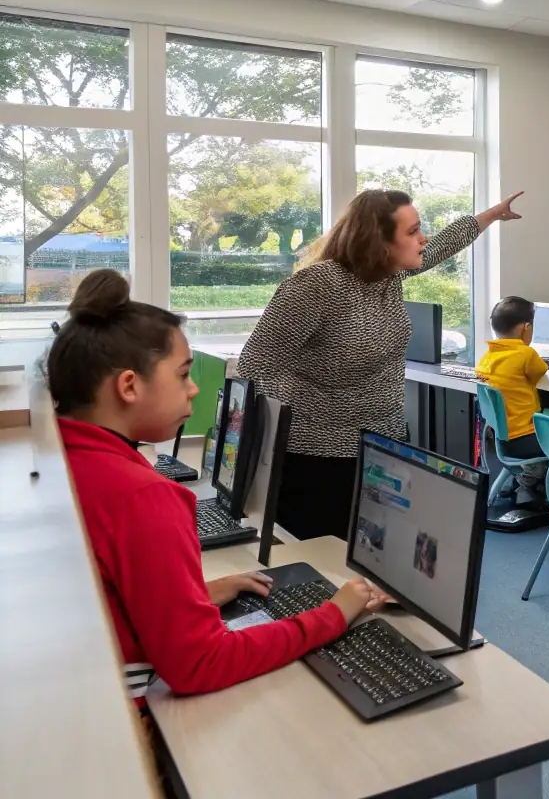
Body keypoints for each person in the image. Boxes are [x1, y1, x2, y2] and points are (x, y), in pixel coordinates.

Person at [46, 270, 381, 701]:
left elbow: (114, 599)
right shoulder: (143, 496)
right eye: (183, 374)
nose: (194, 389)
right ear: (129, 386)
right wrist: (332, 615)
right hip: (121, 723)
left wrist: (195, 597)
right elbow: (201, 663)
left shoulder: (63, 458)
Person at [238, 187, 523, 540]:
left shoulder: (387, 275)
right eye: (412, 231)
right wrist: (259, 449)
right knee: (322, 568)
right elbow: (254, 365)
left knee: (379, 563)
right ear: (379, 242)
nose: (423, 238)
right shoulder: (318, 285)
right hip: (319, 457)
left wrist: (490, 215)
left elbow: (439, 247)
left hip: (384, 443)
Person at [475, 295, 548, 498]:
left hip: (501, 436)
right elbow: (539, 372)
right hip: (524, 437)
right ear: (526, 328)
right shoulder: (526, 354)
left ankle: (520, 479)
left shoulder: (488, 356)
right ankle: (526, 482)